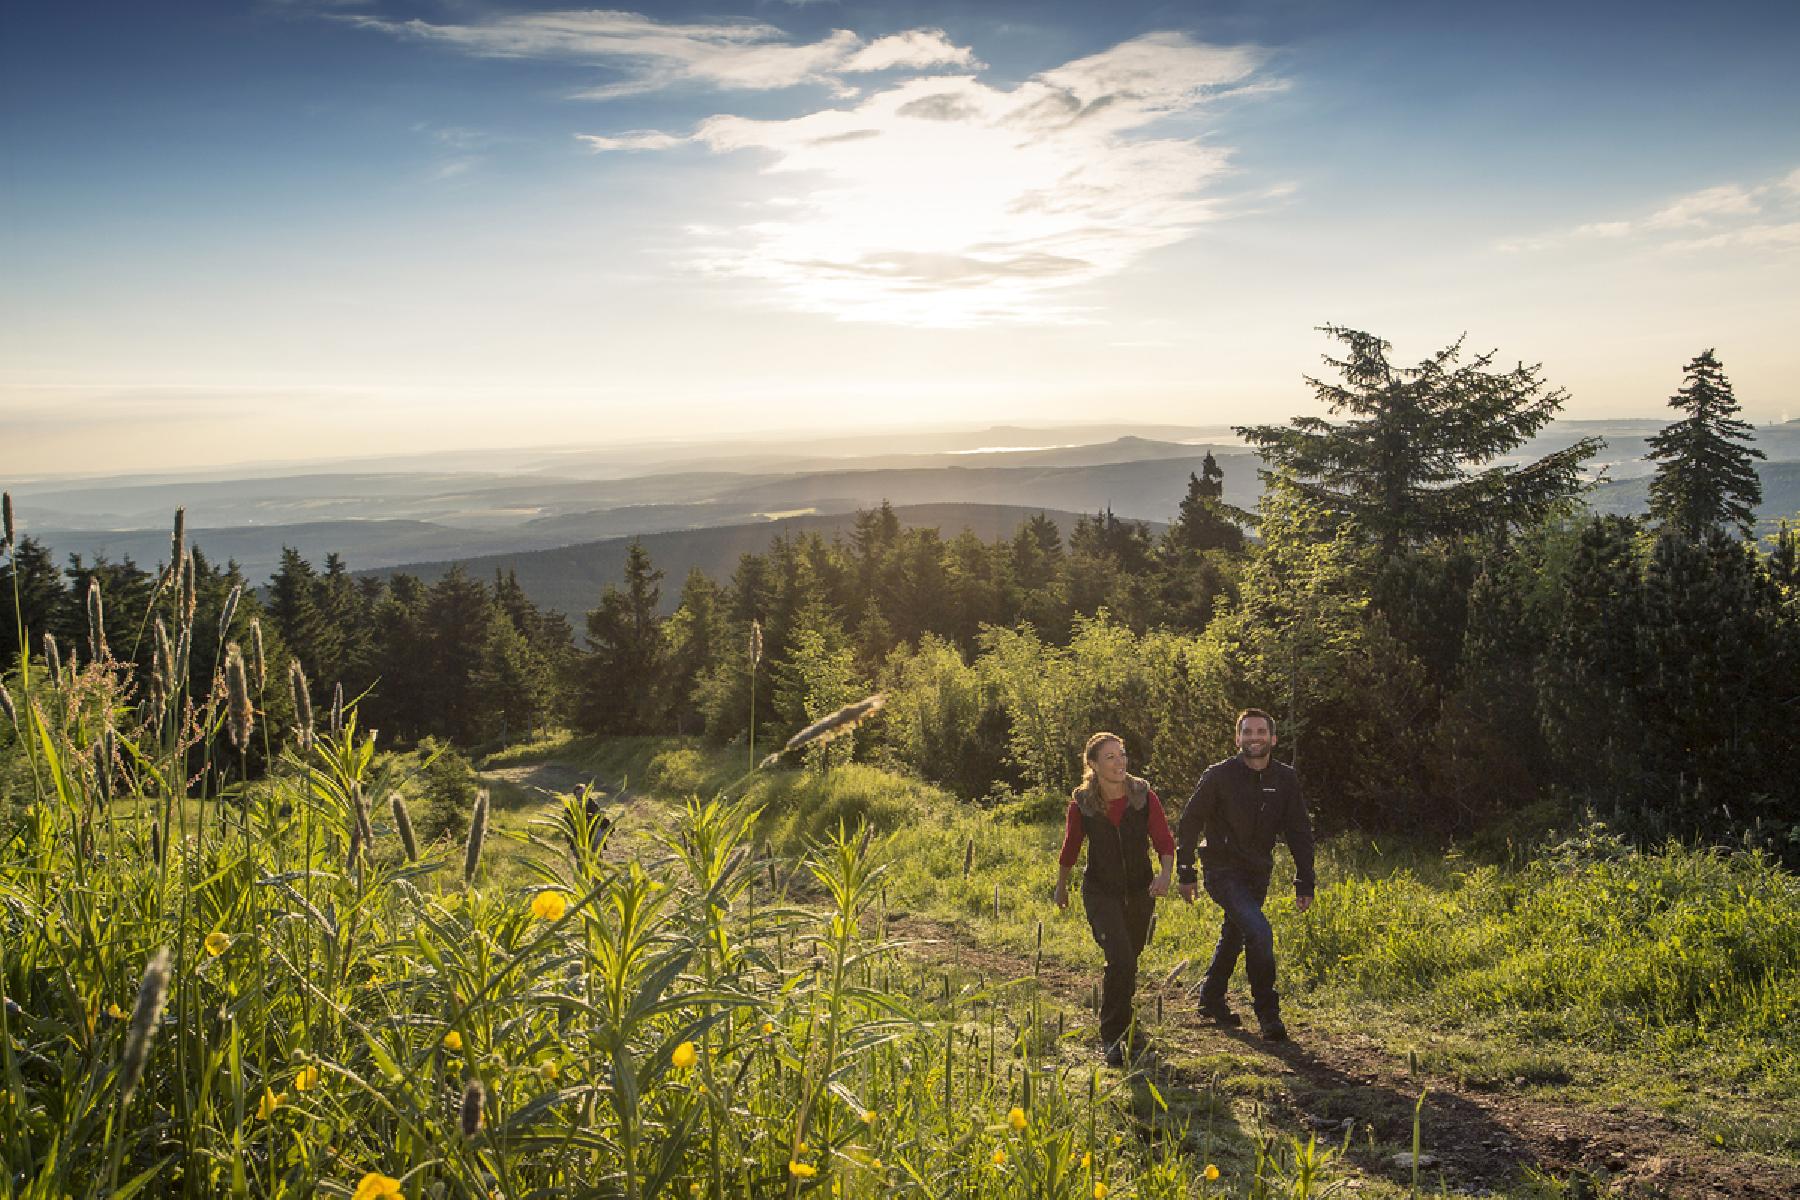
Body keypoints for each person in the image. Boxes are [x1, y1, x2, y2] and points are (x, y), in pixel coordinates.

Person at [1176, 709, 1314, 1042]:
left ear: (1273, 738)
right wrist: (1186, 870)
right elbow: (1190, 821)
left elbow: (1299, 830)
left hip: (1258, 872)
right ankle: (1269, 1015)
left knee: (1236, 933)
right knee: (1259, 931)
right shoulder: (1218, 776)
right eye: (1247, 732)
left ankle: (1210, 997)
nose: (1254, 738)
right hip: (1221, 870)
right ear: (1237, 738)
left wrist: (1305, 878)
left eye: (1261, 732)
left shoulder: (1285, 779)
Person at [1054, 732, 1175, 1066]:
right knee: (1120, 958)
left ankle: (1124, 1019)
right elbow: (1071, 846)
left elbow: (1164, 839)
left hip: (1140, 890)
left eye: (1122, 755)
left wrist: (1165, 875)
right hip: (1100, 891)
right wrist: (1061, 886)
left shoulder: (1143, 796)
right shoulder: (1083, 803)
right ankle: (1113, 1036)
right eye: (1110, 757)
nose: (1119, 762)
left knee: (1129, 959)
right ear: (1092, 764)